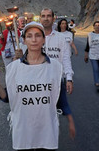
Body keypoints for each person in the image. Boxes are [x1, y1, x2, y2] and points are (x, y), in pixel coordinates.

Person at [0, 22, 64, 150]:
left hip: (46, 127)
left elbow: (59, 98)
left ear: (44, 40)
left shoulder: (55, 67)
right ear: (24, 40)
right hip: (23, 127)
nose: (34, 40)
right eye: (29, 36)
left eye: (38, 36)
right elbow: (9, 98)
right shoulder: (13, 68)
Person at [40, 8, 76, 139]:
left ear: (53, 18)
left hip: (56, 82)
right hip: (38, 82)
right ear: (40, 18)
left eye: (49, 16)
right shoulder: (34, 37)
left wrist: (69, 78)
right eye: (43, 16)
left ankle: (50, 138)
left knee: (52, 113)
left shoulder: (61, 39)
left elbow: (66, 59)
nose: (46, 18)